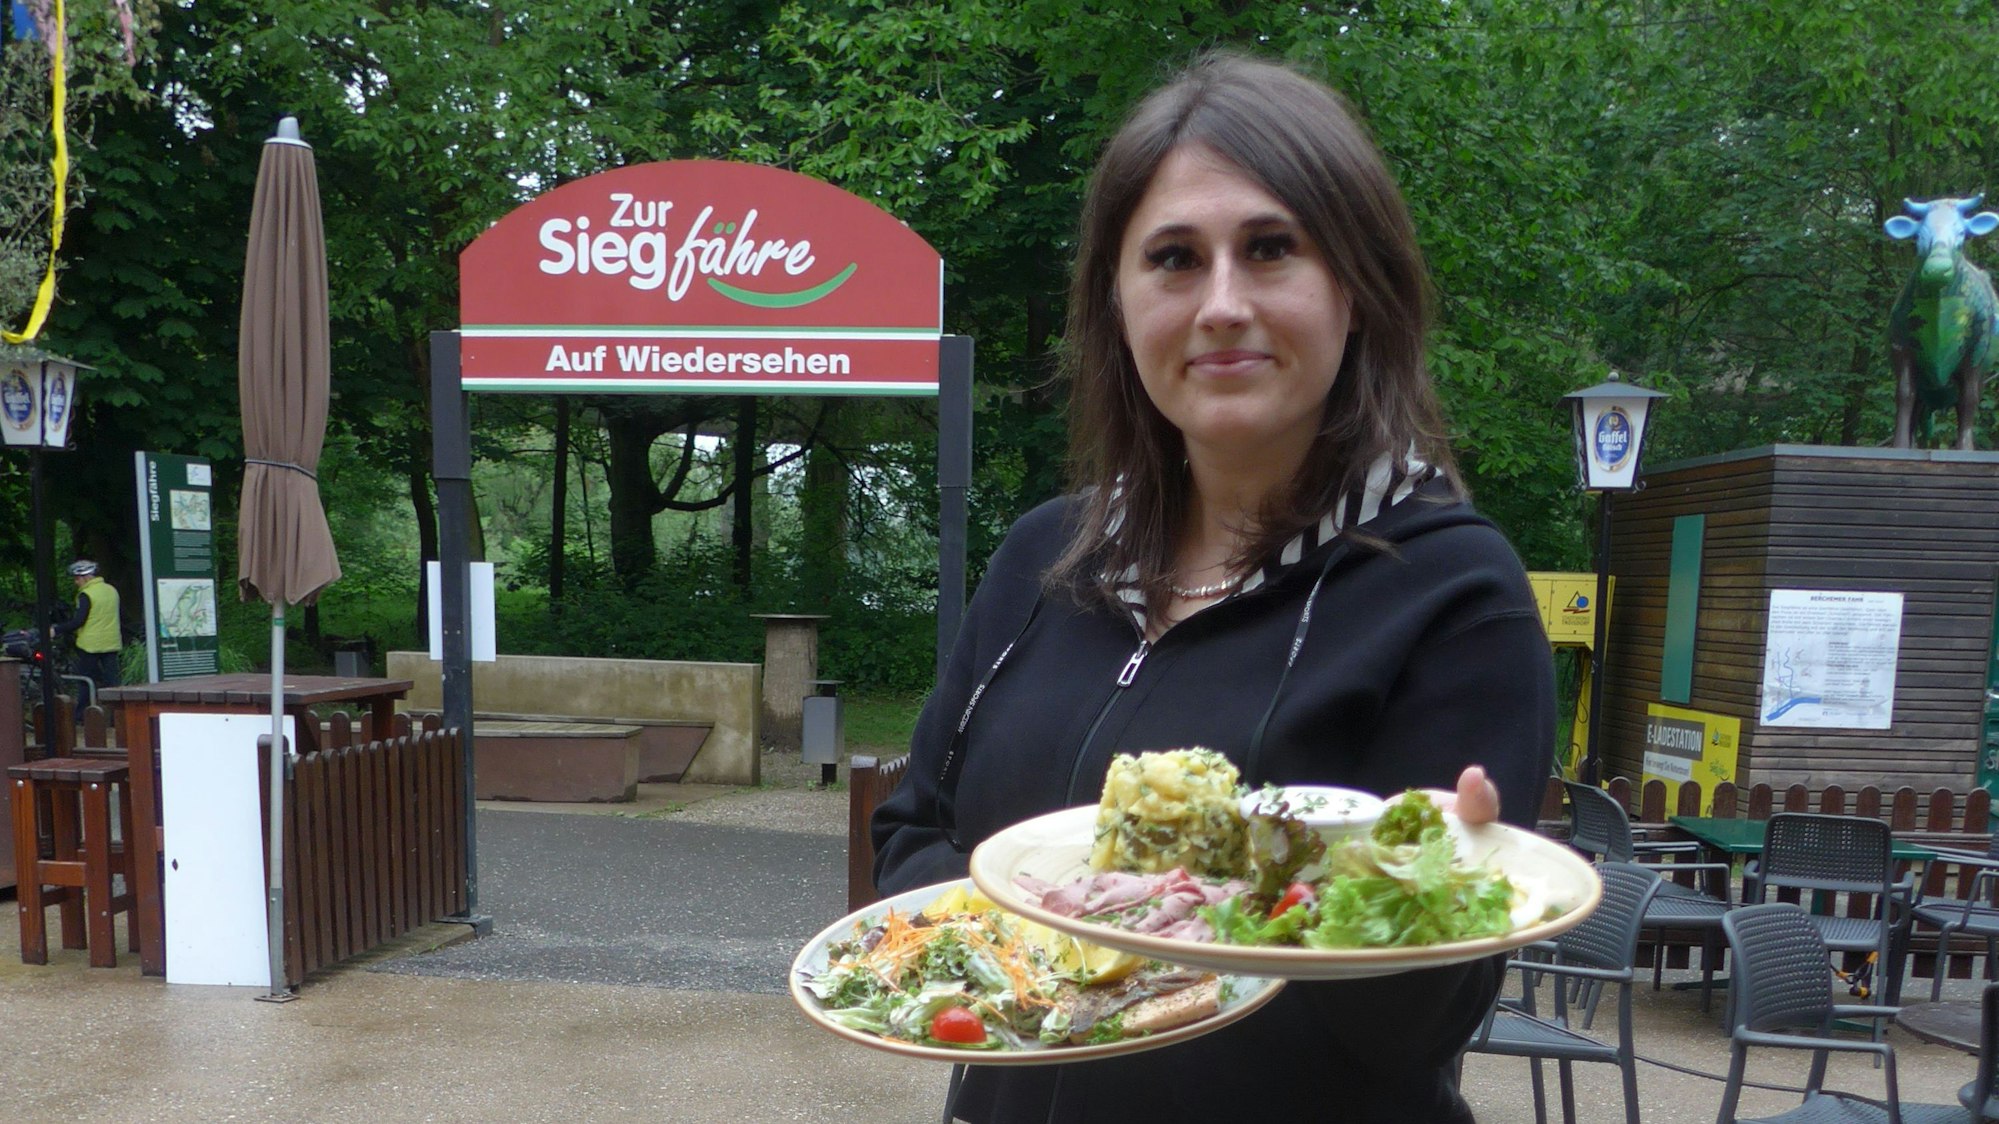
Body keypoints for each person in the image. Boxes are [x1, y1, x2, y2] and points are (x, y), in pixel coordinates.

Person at [871, 51, 1554, 1123]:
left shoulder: (1452, 590)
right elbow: (910, 837)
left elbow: (1411, 1027)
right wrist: (1060, 924)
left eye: (1271, 249)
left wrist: (1413, 883)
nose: (1222, 302)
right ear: (1120, 302)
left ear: (1356, 289)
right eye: (1175, 258)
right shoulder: (1044, 559)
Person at [51, 559, 122, 702]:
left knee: (85, 680)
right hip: (111, 642)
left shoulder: (87, 594)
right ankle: (117, 714)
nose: (76, 582)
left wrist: (56, 630)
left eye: (77, 578)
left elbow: (78, 621)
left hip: (91, 644)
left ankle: (81, 715)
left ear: (86, 577)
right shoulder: (111, 590)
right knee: (113, 681)